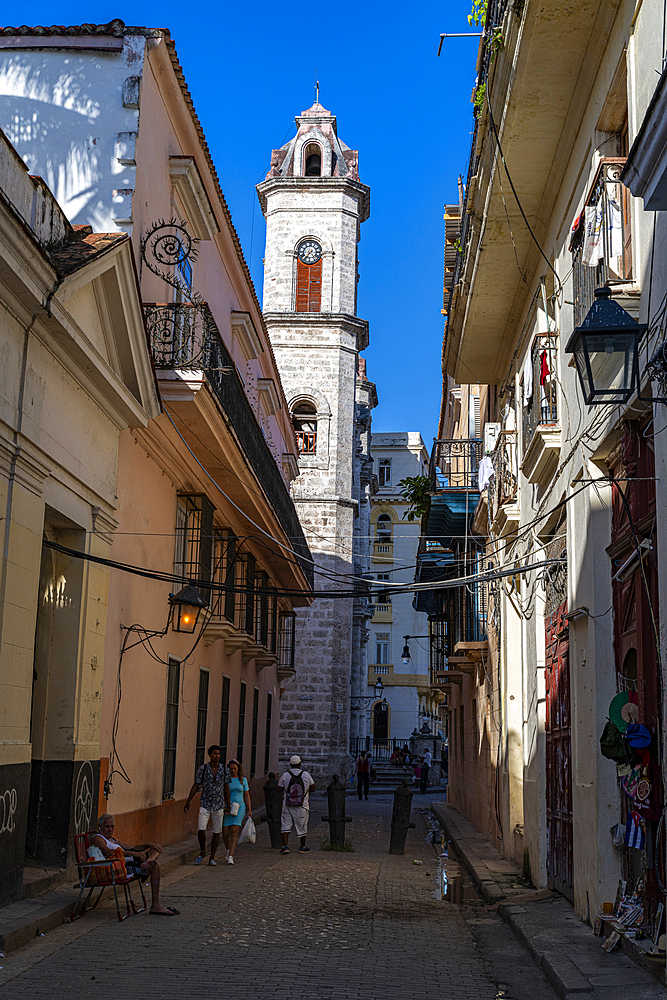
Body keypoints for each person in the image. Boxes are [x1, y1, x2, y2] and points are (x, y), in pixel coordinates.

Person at [90, 814, 179, 916]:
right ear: (99, 827)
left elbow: (133, 847)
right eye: (107, 827)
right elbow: (108, 852)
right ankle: (155, 905)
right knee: (155, 866)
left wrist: (148, 844)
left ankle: (147, 862)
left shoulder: (113, 840)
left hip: (132, 862)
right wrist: (132, 854)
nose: (110, 829)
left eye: (112, 827)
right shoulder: (98, 838)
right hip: (122, 866)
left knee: (156, 849)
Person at [183, 744, 231, 866]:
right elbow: (196, 784)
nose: (217, 756)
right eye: (215, 754)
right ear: (210, 755)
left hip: (218, 804)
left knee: (216, 831)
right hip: (205, 802)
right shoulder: (203, 769)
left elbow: (226, 788)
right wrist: (189, 800)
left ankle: (212, 857)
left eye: (219, 754)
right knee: (201, 829)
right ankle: (203, 851)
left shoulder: (224, 770)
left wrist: (228, 803)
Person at [278, 754, 315, 854]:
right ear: (300, 764)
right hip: (302, 805)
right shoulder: (306, 775)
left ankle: (285, 846)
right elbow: (313, 788)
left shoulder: (285, 775)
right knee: (302, 826)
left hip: (287, 804)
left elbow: (279, 788)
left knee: (285, 825)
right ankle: (302, 847)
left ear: (290, 764)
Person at [222, 759, 252, 865]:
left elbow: (246, 795)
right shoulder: (225, 780)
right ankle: (227, 849)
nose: (233, 771)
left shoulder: (243, 780)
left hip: (240, 808)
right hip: (227, 807)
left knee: (234, 831)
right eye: (231, 769)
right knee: (225, 833)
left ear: (238, 769)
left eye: (235, 769)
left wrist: (249, 809)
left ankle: (231, 855)